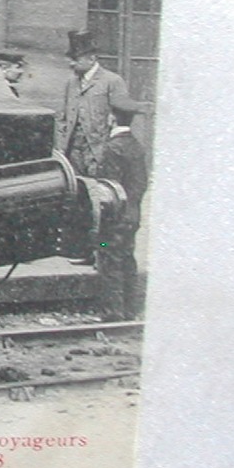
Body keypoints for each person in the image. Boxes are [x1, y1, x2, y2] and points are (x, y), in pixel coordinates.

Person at [93, 93, 151, 320]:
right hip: (132, 216)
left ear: (111, 118)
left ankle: (111, 312)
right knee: (127, 257)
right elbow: (140, 184)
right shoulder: (136, 146)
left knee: (108, 256)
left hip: (114, 220)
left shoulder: (112, 148)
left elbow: (109, 188)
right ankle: (130, 310)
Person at [54, 30, 133, 177]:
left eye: (75, 59)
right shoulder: (71, 83)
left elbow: (122, 117)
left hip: (100, 153)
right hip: (73, 154)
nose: (71, 64)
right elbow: (62, 118)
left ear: (91, 59)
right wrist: (60, 147)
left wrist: (111, 149)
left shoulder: (113, 81)